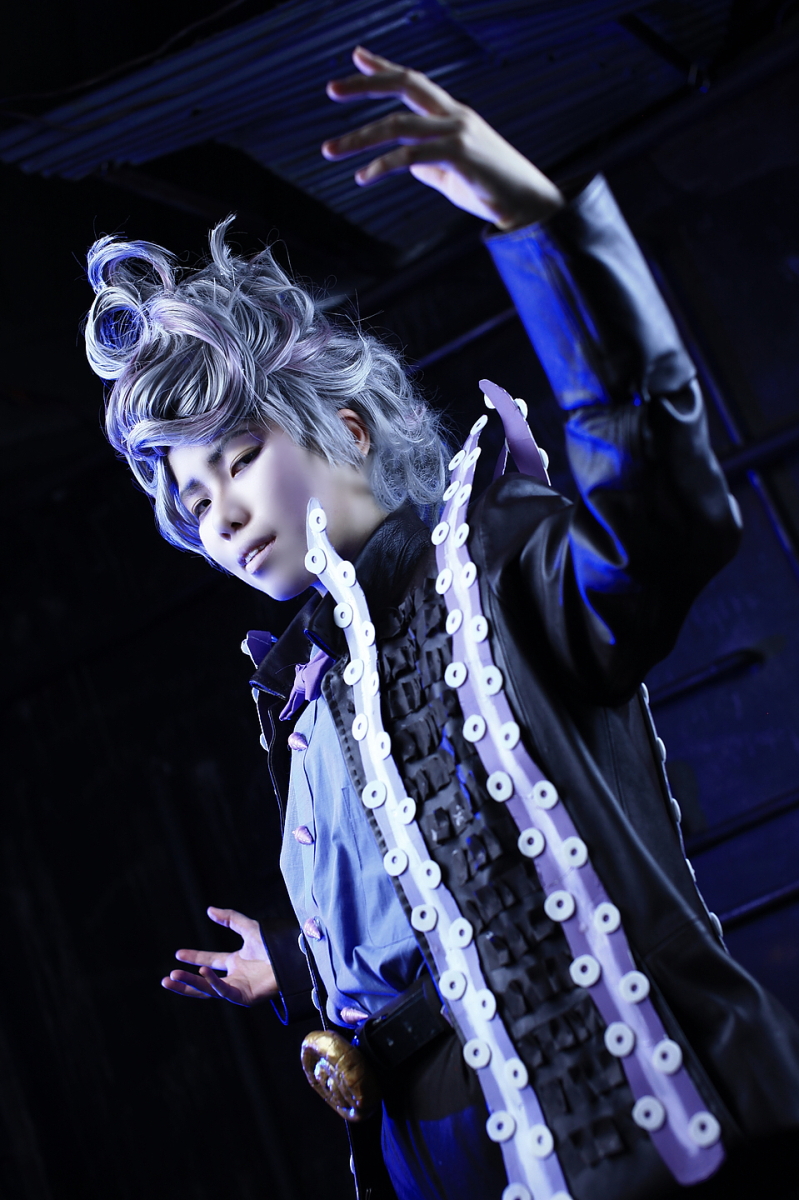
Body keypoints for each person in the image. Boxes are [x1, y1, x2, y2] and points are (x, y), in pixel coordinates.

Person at [84, 46, 799, 1200]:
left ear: (346, 428)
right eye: (193, 499)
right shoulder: (305, 692)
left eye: (238, 458)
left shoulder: (495, 565)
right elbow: (428, 912)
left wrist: (536, 224)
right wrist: (301, 966)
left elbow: (657, 506)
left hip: (635, 1146)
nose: (221, 515)